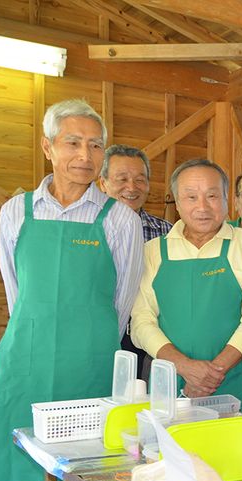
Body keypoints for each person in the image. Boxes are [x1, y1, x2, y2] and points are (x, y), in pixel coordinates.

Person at [0, 99, 143, 481]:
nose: (84, 155)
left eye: (94, 145)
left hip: (88, 372)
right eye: (72, 142)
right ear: (47, 147)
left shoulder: (118, 219)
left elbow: (122, 302)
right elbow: (15, 292)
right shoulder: (15, 211)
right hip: (20, 370)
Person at [131, 158, 242, 412]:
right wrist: (185, 367)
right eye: (191, 197)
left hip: (233, 379)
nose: (202, 206)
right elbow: (141, 321)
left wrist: (213, 373)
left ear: (227, 199)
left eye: (212, 195)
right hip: (170, 382)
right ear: (177, 201)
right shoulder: (153, 250)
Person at [100, 144, 173, 379]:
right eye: (121, 179)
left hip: (153, 336)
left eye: (140, 180)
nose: (131, 188)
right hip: (101, 331)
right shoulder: (89, 232)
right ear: (103, 183)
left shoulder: (166, 233)